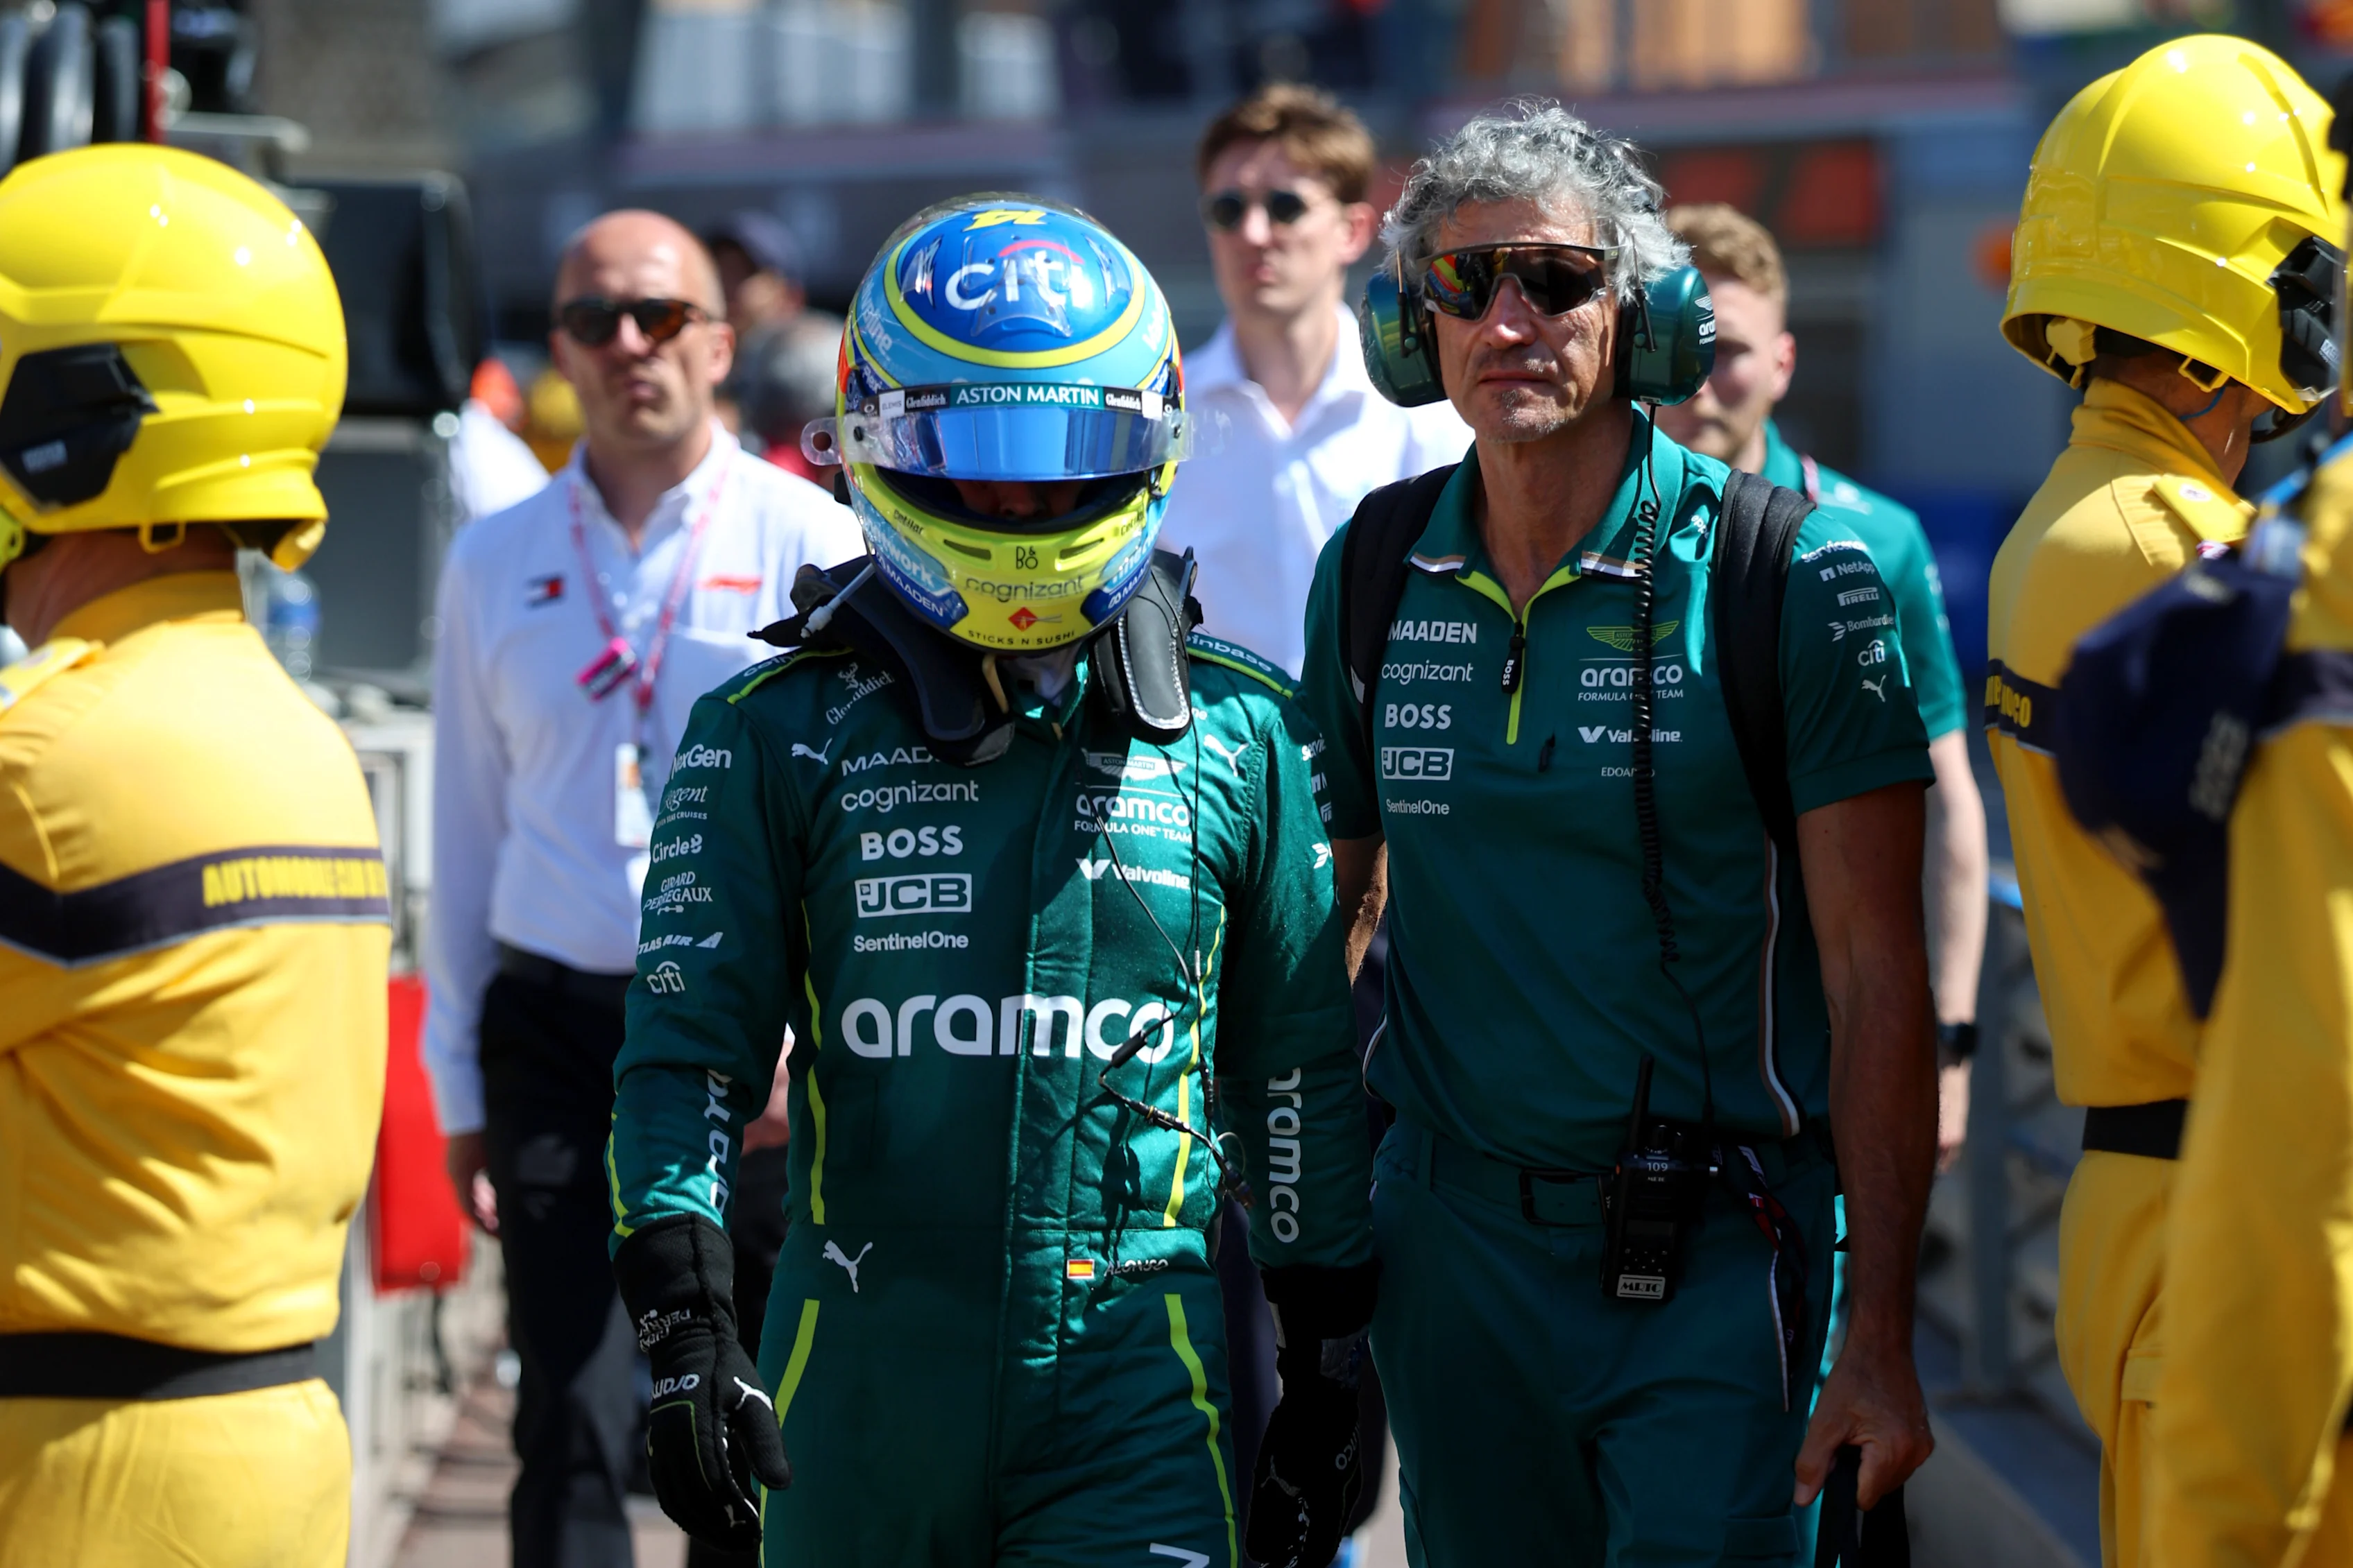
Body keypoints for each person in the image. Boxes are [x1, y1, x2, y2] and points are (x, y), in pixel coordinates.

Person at [604, 193, 1378, 1568]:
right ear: (869, 443)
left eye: (1067, 455)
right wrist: (684, 1324)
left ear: (1151, 444)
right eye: (971, 459)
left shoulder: (1248, 732)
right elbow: (686, 1060)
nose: (1019, 504)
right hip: (852, 1388)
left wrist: (1327, 1355)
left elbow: (1298, 1077)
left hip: (1141, 1393)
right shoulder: (771, 730)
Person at [1301, 101, 1939, 1561]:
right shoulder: (1377, 565)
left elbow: (1873, 977)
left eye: (1554, 280)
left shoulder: (1794, 572)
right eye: (1463, 283)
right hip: (1447, 1247)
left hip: (1720, 1258)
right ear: (1413, 332)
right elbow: (1323, 920)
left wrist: (1883, 1334)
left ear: (1645, 315)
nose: (1506, 318)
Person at [424, 209, 860, 1568]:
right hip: (554, 1027)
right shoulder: (493, 556)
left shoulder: (812, 534)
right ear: (556, 349)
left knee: (739, 1400)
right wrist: (457, 1088)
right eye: (592, 319)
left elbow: (851, 823)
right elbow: (461, 827)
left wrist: (812, 1028)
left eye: (660, 314)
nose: (627, 344)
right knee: (569, 1393)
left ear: (721, 341)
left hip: (751, 1039)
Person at [1984, 35, 2344, 1568]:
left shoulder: (2094, 517)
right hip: (2222, 1206)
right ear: (2213, 340)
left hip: (2162, 1194)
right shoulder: (2167, 548)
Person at [0, 146, 388, 1565]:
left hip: (74, 1473)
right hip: (259, 1443)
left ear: (70, 420)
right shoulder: (287, 731)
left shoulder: (47, 760)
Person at [1657, 203, 1985, 1163]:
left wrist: (1951, 1047)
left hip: (1819, 1061)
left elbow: (1949, 806)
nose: (1703, 381)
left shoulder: (1873, 540)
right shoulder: (1576, 533)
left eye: (1734, 354)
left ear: (1785, 364)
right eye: (1683, 347)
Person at [1157, 83, 1469, 680]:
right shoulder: (1159, 419)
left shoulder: (1431, 410)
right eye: (1227, 209)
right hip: (1212, 762)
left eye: (1285, 206)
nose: (1252, 233)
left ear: (1353, 231)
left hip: (1381, 755)